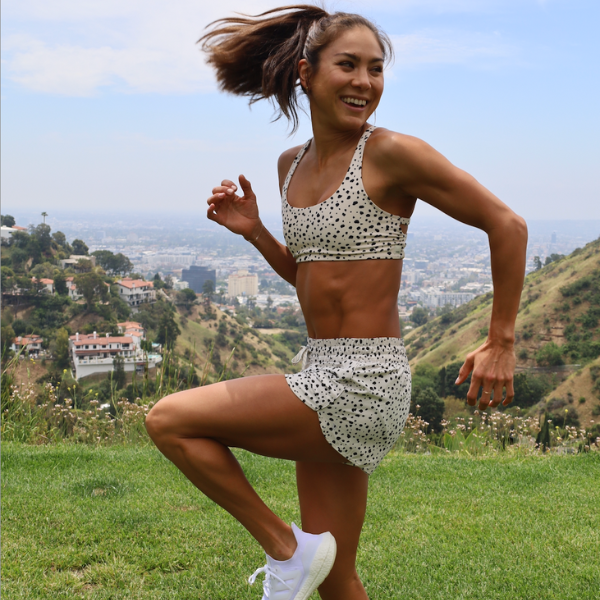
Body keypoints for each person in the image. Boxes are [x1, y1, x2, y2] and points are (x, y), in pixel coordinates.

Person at [145, 5, 528, 600]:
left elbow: (507, 224)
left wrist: (500, 340)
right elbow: (309, 277)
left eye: (375, 69)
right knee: (337, 577)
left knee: (169, 419)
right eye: (347, 65)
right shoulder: (289, 166)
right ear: (306, 72)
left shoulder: (391, 153)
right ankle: (303, 558)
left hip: (366, 378)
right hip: (320, 366)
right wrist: (255, 233)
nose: (364, 82)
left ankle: (284, 548)